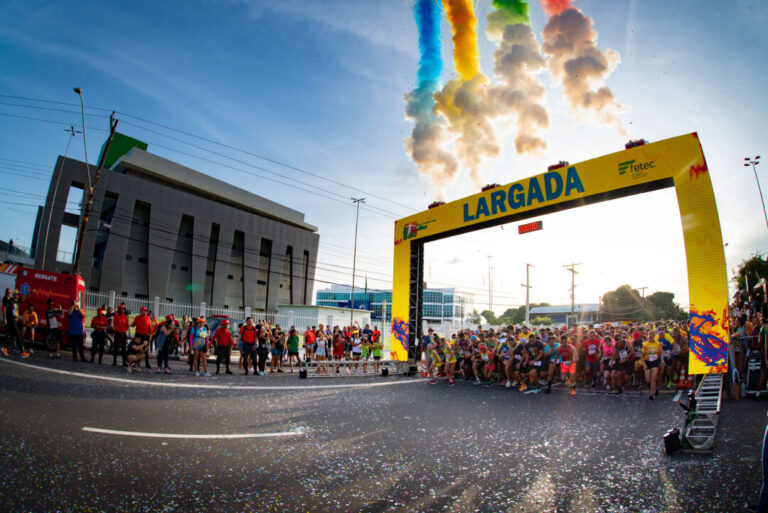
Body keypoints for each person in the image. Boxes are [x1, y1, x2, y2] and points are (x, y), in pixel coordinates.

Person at [642, 329, 663, 400]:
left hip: (655, 362)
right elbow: (642, 355)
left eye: (652, 337)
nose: (650, 338)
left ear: (654, 336)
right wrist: (644, 364)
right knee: (648, 380)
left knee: (653, 379)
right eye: (649, 337)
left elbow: (661, 352)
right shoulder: (645, 344)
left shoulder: (658, 344)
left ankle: (651, 394)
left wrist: (662, 359)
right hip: (647, 362)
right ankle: (653, 388)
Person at [3, 289, 22, 356]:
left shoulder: (17, 301)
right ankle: (22, 351)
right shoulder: (11, 301)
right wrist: (5, 318)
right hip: (11, 319)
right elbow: (5, 308)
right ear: (14, 295)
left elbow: (24, 298)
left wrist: (30, 293)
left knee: (12, 336)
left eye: (18, 294)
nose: (18, 295)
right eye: (17, 294)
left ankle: (4, 348)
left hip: (15, 320)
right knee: (18, 334)